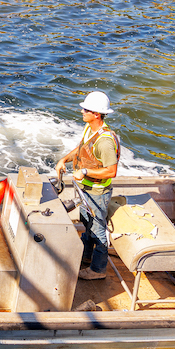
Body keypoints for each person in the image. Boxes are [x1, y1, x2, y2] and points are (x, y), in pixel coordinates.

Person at [55, 92, 120, 280]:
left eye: (86, 109)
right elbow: (82, 149)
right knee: (87, 224)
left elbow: (111, 171)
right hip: (85, 190)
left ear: (97, 114)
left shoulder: (105, 142)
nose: (82, 111)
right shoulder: (89, 129)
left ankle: (97, 270)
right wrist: (64, 160)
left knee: (98, 231)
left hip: (97, 193)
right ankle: (86, 256)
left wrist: (85, 172)